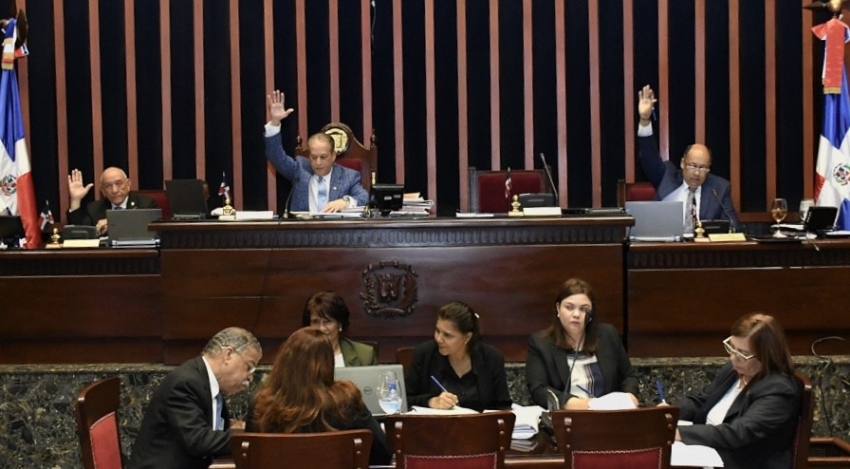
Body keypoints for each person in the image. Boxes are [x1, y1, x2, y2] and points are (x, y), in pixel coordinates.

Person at [669, 312, 800, 469]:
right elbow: (702, 400)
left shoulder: (779, 390)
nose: (733, 358)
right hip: (705, 452)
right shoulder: (734, 370)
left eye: (742, 354)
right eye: (731, 348)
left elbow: (739, 432)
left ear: (766, 356)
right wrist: (669, 413)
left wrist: (681, 433)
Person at [246, 327, 392, 466]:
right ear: (328, 363)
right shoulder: (347, 401)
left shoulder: (260, 403)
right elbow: (383, 454)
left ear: (284, 361)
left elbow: (249, 458)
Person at [128, 327, 262, 469]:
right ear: (228, 354)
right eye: (249, 367)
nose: (250, 377)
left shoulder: (206, 381)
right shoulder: (185, 383)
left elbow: (206, 426)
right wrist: (251, 440)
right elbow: (198, 441)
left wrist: (236, 427)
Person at [525, 278, 639, 410]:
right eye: (569, 307)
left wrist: (630, 396)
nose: (576, 314)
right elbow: (539, 390)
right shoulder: (540, 343)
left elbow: (628, 376)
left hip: (610, 416)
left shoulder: (608, 335)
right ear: (558, 308)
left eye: (584, 309)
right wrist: (588, 405)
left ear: (591, 314)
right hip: (568, 419)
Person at [637, 84, 740, 230]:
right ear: (682, 163)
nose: (697, 173)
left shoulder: (719, 188)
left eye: (703, 168)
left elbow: (733, 226)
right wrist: (645, 120)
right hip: (666, 249)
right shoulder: (666, 176)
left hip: (704, 251)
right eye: (692, 166)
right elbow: (649, 157)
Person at [264, 90, 369, 213]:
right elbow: (276, 157)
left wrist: (345, 202)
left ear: (333, 156)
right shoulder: (300, 169)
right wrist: (275, 122)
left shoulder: (349, 176)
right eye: (314, 157)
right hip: (302, 231)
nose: (318, 162)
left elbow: (364, 197)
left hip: (335, 231)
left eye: (323, 157)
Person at [405, 301, 512, 411]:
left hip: (481, 426)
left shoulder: (492, 358)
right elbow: (405, 399)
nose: (438, 339)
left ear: (467, 337)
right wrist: (431, 401)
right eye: (437, 331)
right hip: (437, 426)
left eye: (447, 335)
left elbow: (503, 406)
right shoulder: (424, 354)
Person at [66, 167, 157, 235]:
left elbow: (151, 229)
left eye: (119, 183)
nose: (114, 190)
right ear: (103, 191)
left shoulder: (145, 204)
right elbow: (78, 233)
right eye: (108, 186)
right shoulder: (94, 209)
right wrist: (75, 200)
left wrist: (113, 222)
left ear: (128, 184)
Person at [302, 291, 378, 367]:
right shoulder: (298, 354)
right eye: (315, 322)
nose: (321, 328)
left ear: (340, 324)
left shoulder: (364, 355)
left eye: (328, 322)